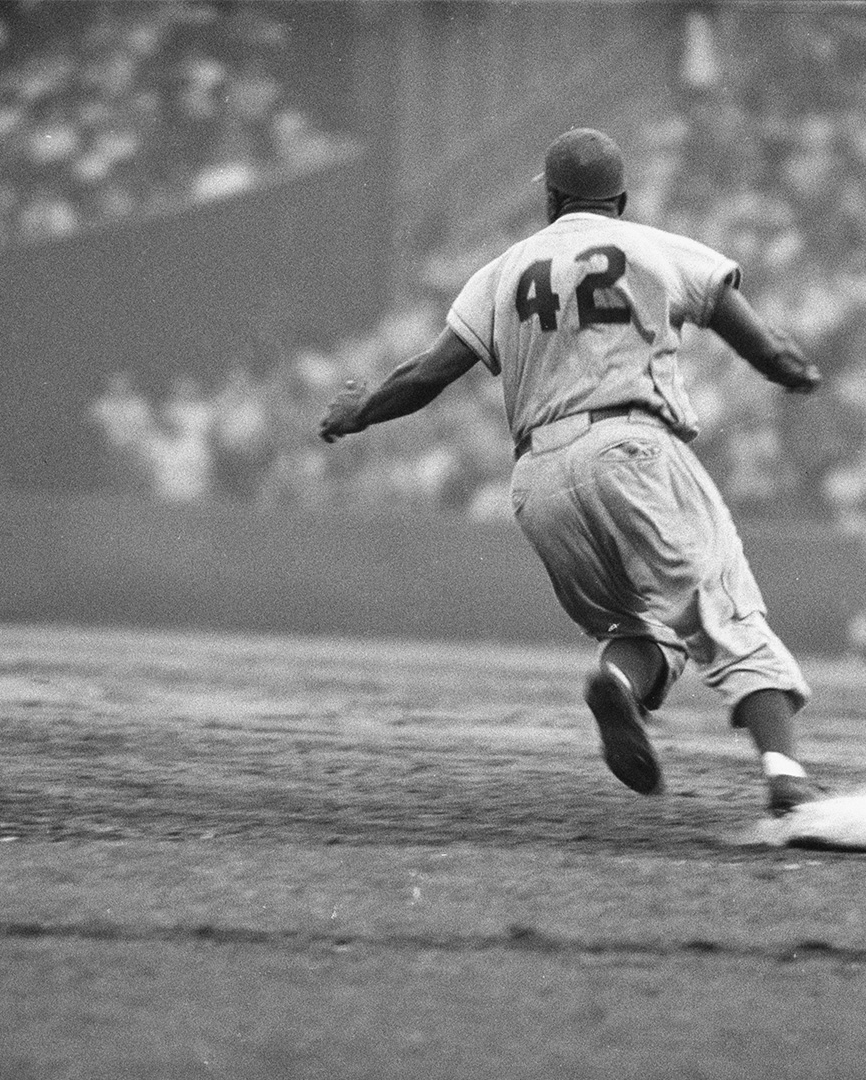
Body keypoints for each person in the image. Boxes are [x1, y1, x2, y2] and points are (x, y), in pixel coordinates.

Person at [319, 127, 828, 816]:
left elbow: (429, 373)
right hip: (632, 449)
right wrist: (788, 368)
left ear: (553, 198)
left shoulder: (503, 269)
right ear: (619, 198)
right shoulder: (651, 245)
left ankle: (618, 687)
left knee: (640, 630)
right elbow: (741, 325)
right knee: (726, 607)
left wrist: (361, 411)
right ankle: (785, 772)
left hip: (539, 481)